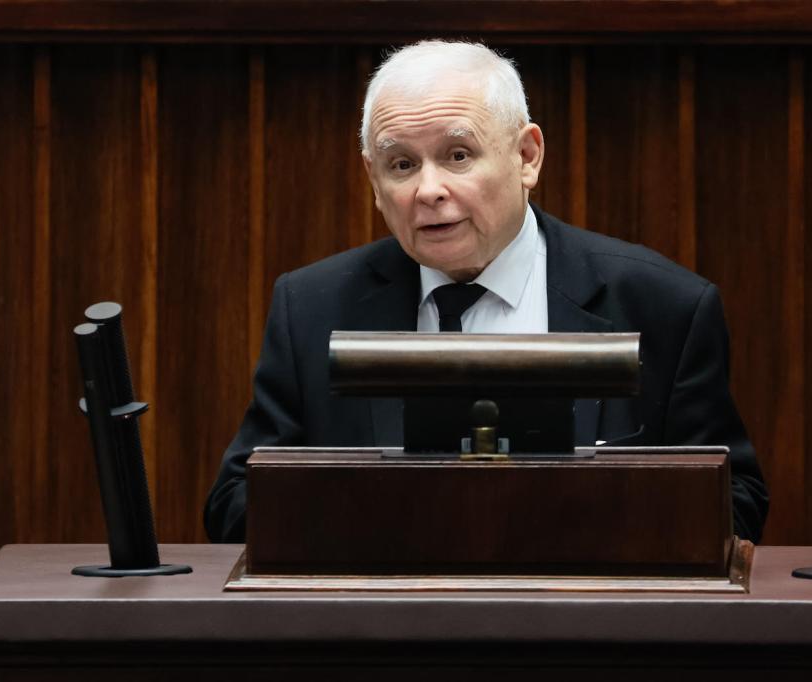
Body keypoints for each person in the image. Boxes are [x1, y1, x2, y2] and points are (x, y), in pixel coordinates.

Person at [204, 40, 768, 543]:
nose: (428, 190)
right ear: (374, 181)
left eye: (458, 155)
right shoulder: (311, 307)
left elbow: (735, 505)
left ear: (527, 157)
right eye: (401, 164)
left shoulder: (664, 305)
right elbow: (235, 507)